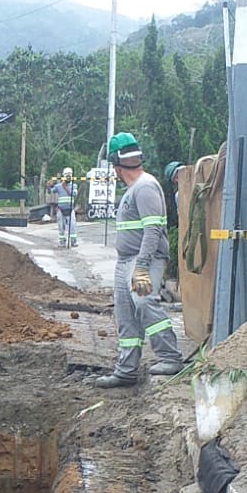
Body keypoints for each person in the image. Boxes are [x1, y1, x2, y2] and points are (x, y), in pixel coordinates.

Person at [92, 133, 185, 387]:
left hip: (143, 260)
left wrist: (142, 266)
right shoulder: (134, 189)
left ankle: (170, 356)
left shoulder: (145, 187)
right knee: (126, 314)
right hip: (125, 261)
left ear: (116, 165)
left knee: (143, 301)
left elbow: (153, 231)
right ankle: (126, 369)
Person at [49, 167, 79, 248]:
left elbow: (74, 194)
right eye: (66, 175)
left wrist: (66, 188)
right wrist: (50, 185)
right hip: (61, 210)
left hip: (70, 209)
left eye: (69, 175)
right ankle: (62, 242)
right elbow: (52, 190)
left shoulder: (74, 185)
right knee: (61, 227)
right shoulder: (58, 186)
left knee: (72, 226)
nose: (68, 177)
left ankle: (74, 241)